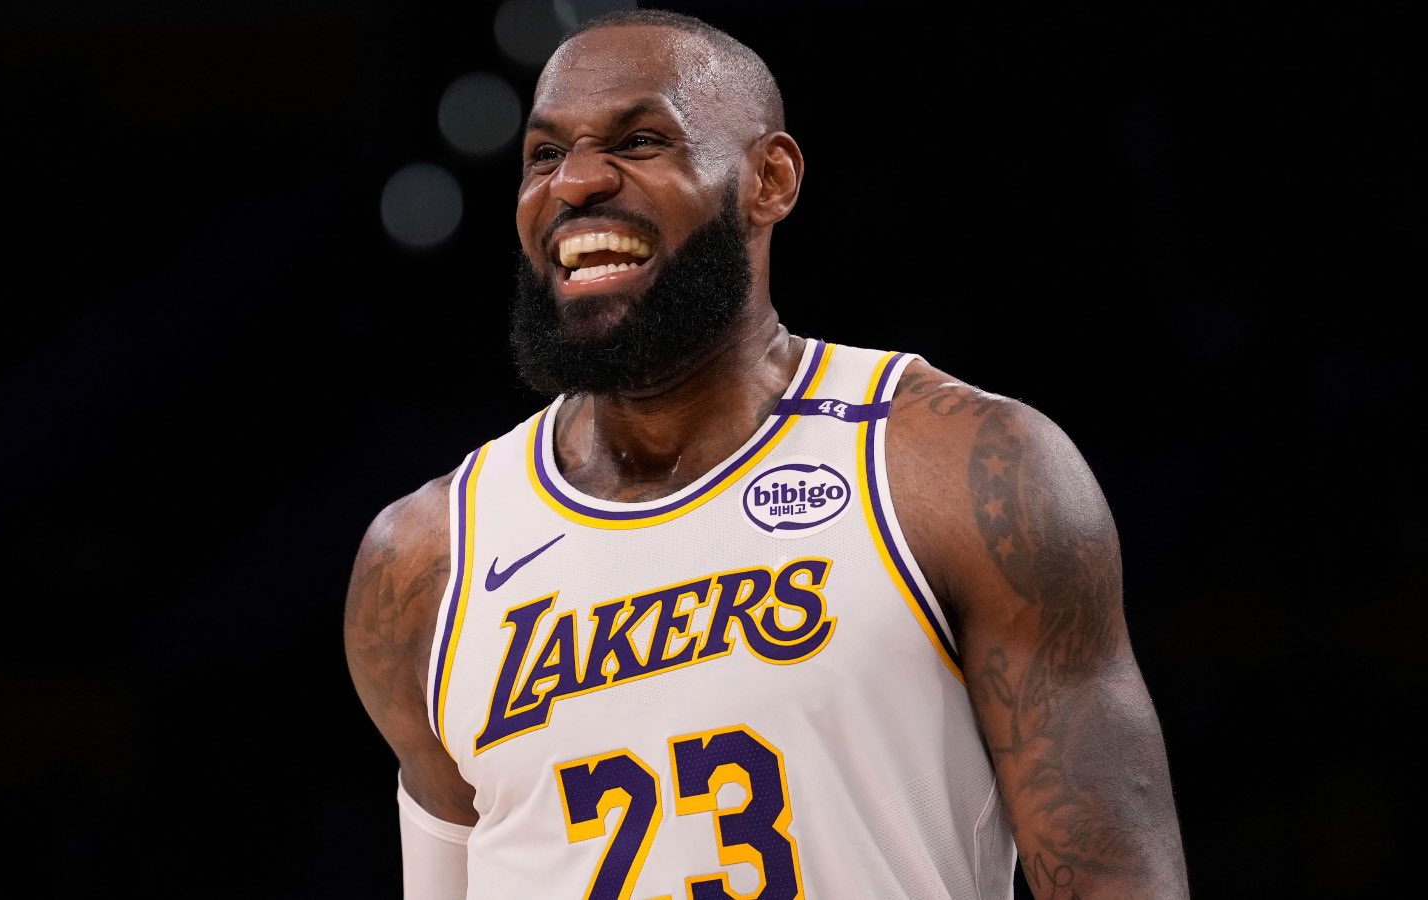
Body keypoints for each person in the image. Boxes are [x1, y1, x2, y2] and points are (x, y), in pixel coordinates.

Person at [343, 8, 1189, 898]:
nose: (578, 182)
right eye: (545, 156)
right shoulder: (424, 560)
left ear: (769, 180)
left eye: (638, 140)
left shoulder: (956, 468)